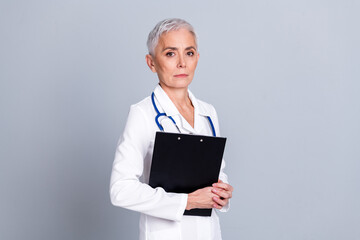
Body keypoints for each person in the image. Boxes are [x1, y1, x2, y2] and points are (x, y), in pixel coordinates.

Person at [109, 18, 234, 240]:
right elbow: (121, 190)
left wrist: (221, 192)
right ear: (151, 62)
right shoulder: (143, 113)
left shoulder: (208, 112)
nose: (182, 63)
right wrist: (188, 201)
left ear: (197, 58)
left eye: (189, 52)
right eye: (170, 53)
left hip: (208, 233)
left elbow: (216, 172)